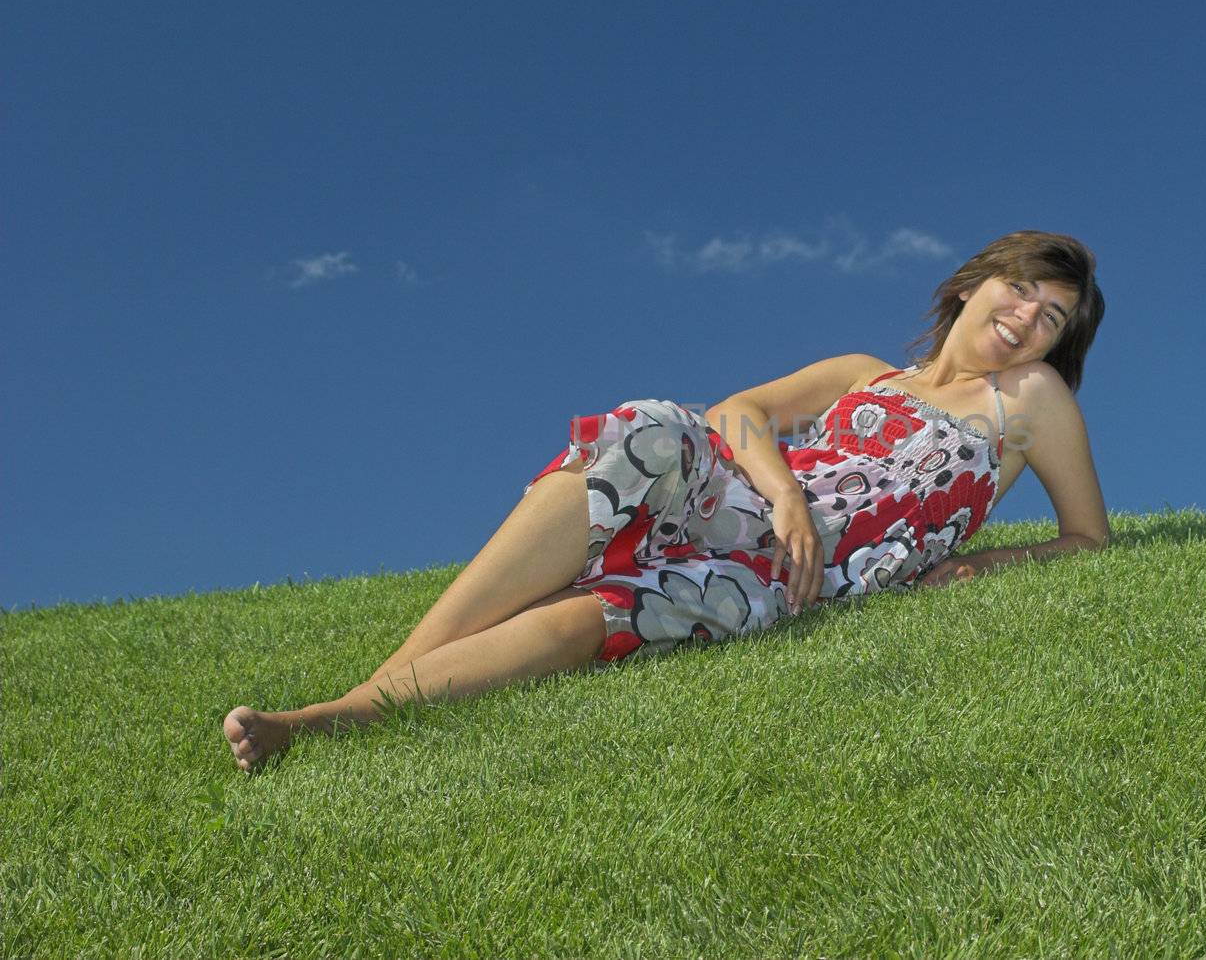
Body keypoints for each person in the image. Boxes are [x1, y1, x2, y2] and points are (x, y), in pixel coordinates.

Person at [224, 230, 1111, 772]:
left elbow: (1088, 540)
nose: (1028, 318)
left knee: (598, 618)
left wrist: (984, 563)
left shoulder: (1028, 401)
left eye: (1052, 317)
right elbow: (738, 414)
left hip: (804, 575)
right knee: (648, 427)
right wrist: (787, 495)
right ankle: (372, 686)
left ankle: (330, 719)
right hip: (754, 501)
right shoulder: (862, 373)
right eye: (1020, 290)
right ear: (973, 284)